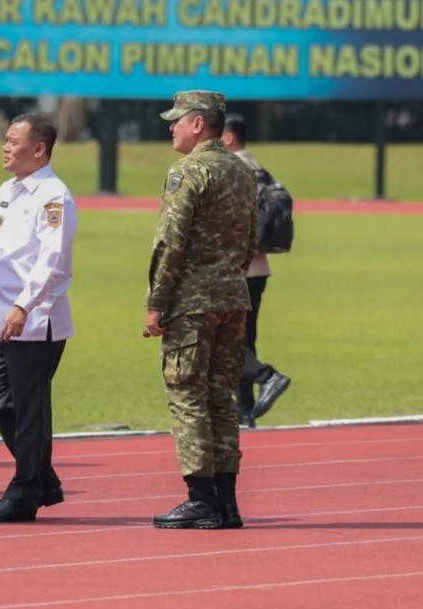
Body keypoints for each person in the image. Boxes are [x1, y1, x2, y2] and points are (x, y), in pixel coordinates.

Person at [144, 91, 257, 530]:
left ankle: (200, 499)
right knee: (221, 400)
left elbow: (170, 242)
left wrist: (156, 302)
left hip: (191, 302)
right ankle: (227, 503)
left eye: (177, 120)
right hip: (232, 297)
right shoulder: (241, 170)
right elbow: (250, 240)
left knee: (188, 395)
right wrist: (229, 276)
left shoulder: (187, 171)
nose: (171, 127)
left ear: (198, 124)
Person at [0, 114, 77, 523]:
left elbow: (53, 261)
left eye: (13, 141)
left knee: (29, 409)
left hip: (34, 317)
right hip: (1, 314)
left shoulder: (53, 195)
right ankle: (43, 478)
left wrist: (24, 306)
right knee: (0, 400)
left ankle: (27, 490)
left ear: (39, 149)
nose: (5, 147)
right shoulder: (8, 190)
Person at [222, 114, 292, 429]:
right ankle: (245, 413)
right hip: (259, 267)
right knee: (244, 338)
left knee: (226, 341)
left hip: (237, 267)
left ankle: (268, 376)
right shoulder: (259, 168)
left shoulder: (234, 169)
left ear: (228, 138)